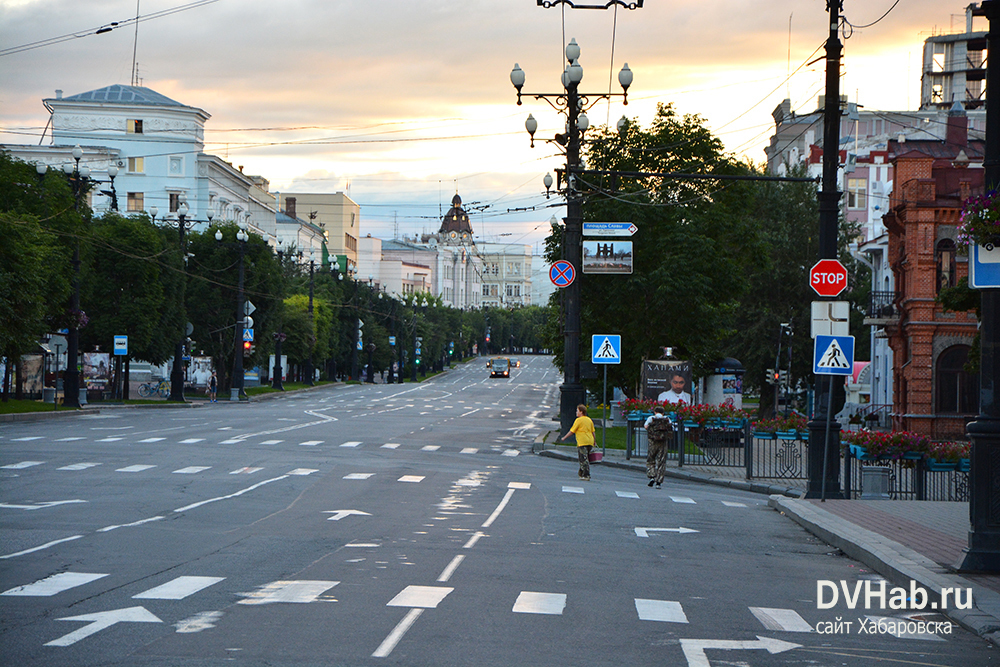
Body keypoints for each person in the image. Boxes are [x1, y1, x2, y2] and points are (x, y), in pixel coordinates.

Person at [559, 404, 596, 481]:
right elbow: (593, 432)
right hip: (590, 441)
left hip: (582, 442)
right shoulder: (589, 420)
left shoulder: (578, 420)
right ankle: (581, 473)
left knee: (583, 459)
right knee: (585, 458)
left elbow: (572, 431)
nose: (576, 412)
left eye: (577, 411)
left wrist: (564, 438)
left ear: (581, 412)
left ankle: (586, 475)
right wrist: (594, 441)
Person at [644, 406, 671, 488]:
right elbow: (670, 427)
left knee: (651, 459)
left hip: (653, 441)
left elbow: (646, 427)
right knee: (661, 461)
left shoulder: (651, 418)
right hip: (663, 442)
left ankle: (652, 476)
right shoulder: (667, 419)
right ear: (663, 413)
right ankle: (659, 481)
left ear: (655, 412)